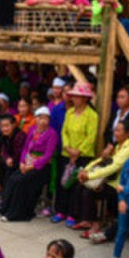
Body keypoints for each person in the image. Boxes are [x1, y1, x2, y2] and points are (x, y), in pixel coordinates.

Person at [71, 120, 129, 243]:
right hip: (108, 181)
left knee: (89, 192)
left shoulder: (128, 149)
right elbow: (100, 160)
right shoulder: (116, 145)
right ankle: (89, 221)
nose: (115, 133)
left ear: (127, 133)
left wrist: (90, 176)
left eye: (119, 130)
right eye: (115, 130)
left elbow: (113, 167)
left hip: (118, 185)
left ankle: (95, 226)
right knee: (81, 187)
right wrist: (85, 170)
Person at [0, 106, 58, 222]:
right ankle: (4, 209)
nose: (42, 121)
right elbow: (25, 148)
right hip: (28, 163)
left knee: (21, 181)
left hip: (42, 167)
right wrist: (22, 163)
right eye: (40, 118)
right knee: (13, 178)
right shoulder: (32, 130)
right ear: (36, 119)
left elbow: (47, 155)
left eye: (46, 118)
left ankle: (17, 213)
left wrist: (31, 166)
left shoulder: (52, 134)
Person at [51, 82, 98, 226]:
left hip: (83, 155)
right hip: (66, 153)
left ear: (85, 98)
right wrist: (67, 147)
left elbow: (91, 137)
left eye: (78, 96)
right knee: (63, 182)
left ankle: (73, 214)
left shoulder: (92, 115)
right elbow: (64, 131)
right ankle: (60, 211)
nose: (75, 99)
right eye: (74, 96)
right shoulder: (70, 112)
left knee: (76, 185)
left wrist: (78, 151)